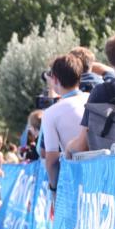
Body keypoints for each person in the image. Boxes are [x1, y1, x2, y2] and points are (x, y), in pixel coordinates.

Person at [39, 53, 88, 198]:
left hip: (74, 182)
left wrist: (53, 189)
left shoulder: (50, 113)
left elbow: (51, 159)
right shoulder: (93, 97)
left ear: (54, 79)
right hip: (102, 177)